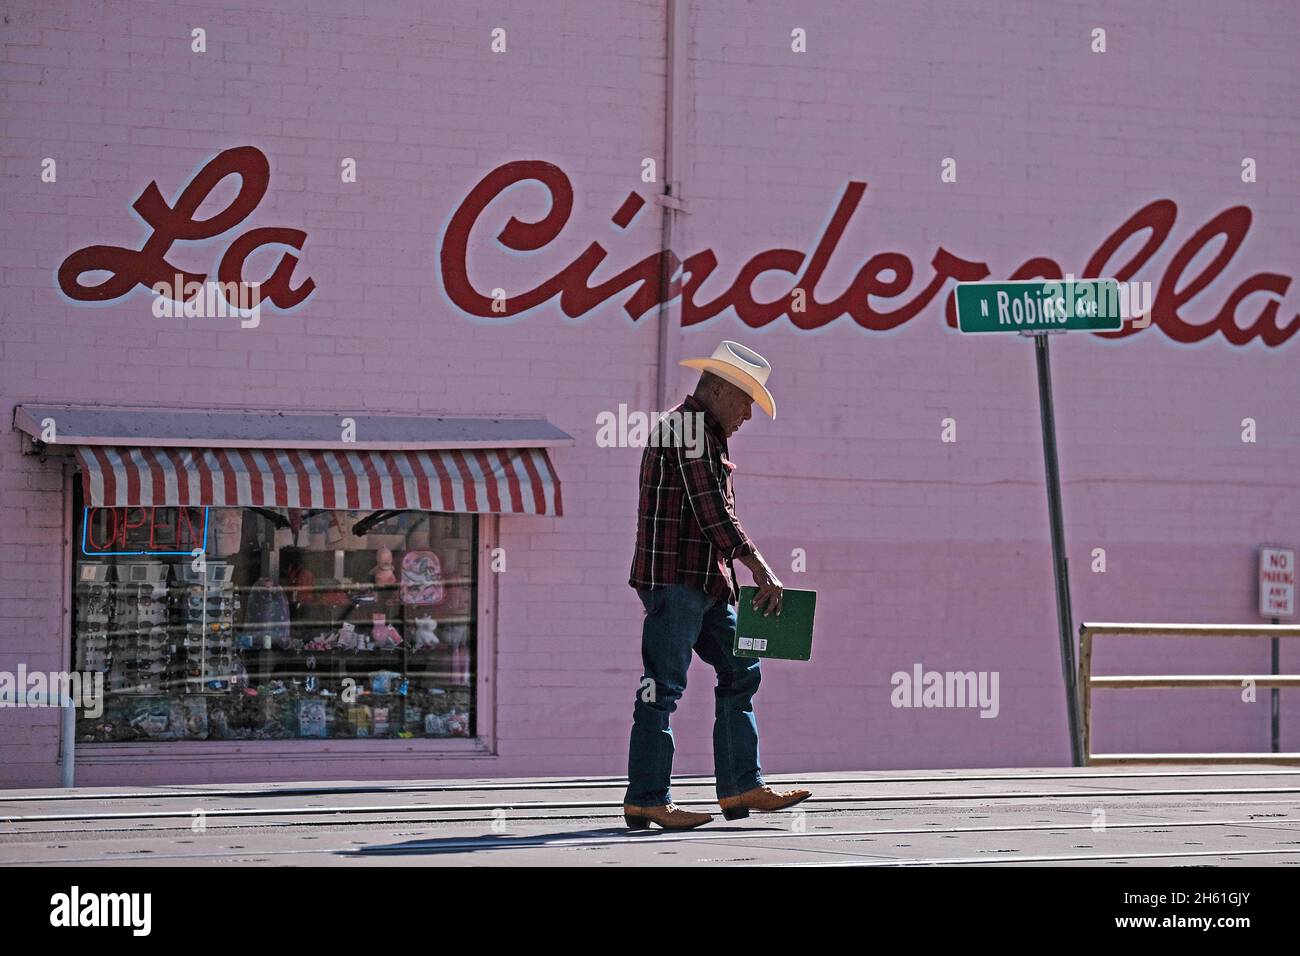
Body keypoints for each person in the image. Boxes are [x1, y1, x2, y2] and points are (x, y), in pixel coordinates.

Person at [624, 340, 811, 830]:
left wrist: (735, 574)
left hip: (704, 585)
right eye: (747, 401)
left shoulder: (703, 431)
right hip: (676, 584)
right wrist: (760, 566)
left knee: (740, 670)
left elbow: (708, 516)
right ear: (725, 391)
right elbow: (713, 511)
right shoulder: (688, 429)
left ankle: (740, 787)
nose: (748, 414)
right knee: (661, 688)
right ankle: (647, 798)